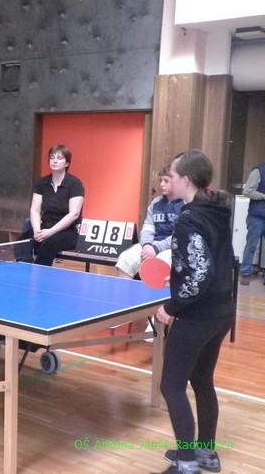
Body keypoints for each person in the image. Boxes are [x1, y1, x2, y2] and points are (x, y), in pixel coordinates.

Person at [155, 150, 234, 474]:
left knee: (171, 386)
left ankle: (187, 463)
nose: (168, 181)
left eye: (172, 176)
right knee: (201, 380)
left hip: (198, 315)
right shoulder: (217, 211)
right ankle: (206, 453)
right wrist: (178, 275)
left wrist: (172, 306)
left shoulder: (189, 219)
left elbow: (200, 273)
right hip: (222, 312)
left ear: (185, 180)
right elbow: (209, 263)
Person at [116, 166, 184, 279]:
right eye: (160, 180)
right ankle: (124, 290)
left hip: (172, 247)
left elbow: (180, 235)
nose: (161, 184)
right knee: (125, 260)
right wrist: (147, 245)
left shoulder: (184, 205)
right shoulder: (156, 203)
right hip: (151, 244)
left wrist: (156, 248)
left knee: (159, 263)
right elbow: (148, 227)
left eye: (166, 181)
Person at [27, 144, 84, 265]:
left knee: (49, 243)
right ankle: (22, 269)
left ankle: (37, 273)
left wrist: (50, 232)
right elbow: (35, 210)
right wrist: (37, 231)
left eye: (59, 158)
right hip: (45, 226)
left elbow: (74, 214)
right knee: (24, 240)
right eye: (52, 158)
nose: (55, 161)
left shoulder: (75, 184)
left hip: (68, 231)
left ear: (67, 163)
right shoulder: (41, 183)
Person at [239, 163, 265, 285]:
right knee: (251, 245)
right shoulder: (258, 171)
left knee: (252, 245)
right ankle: (245, 272)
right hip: (257, 216)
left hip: (257, 214)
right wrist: (263, 196)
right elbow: (247, 191)